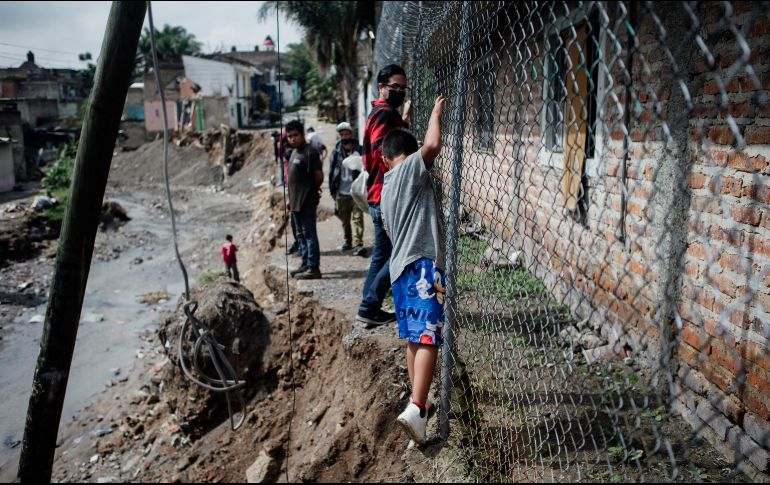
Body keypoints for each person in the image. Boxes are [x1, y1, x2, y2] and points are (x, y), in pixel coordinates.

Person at [380, 96, 447, 445]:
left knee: (414, 339)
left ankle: (416, 408)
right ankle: (417, 407)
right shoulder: (408, 170)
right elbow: (433, 145)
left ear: (383, 158)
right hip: (423, 265)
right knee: (429, 337)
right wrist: (435, 112)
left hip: (400, 269)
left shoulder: (387, 187)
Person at [356, 64, 412, 327]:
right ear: (381, 87)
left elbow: (392, 142)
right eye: (394, 87)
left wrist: (404, 121)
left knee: (381, 254)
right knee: (398, 252)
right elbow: (382, 152)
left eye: (403, 87)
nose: (399, 92)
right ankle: (370, 304)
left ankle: (368, 306)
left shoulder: (384, 112)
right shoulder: (383, 113)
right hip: (385, 194)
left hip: (378, 193)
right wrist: (409, 160)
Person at [286, 120, 323, 280]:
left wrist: (311, 191)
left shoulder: (310, 152)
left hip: (306, 202)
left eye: (295, 135)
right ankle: (305, 263)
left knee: (309, 235)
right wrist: (290, 198)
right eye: (289, 136)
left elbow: (319, 176)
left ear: (302, 134)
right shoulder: (293, 152)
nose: (292, 139)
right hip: (294, 202)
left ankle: (313, 267)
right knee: (300, 235)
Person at [329, 122, 365, 253]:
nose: (344, 137)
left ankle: (358, 244)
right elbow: (332, 172)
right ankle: (348, 241)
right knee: (345, 220)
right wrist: (333, 190)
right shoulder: (336, 152)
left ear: (351, 134)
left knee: (357, 218)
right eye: (342, 135)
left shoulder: (359, 150)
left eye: (346, 134)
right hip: (341, 192)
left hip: (356, 191)